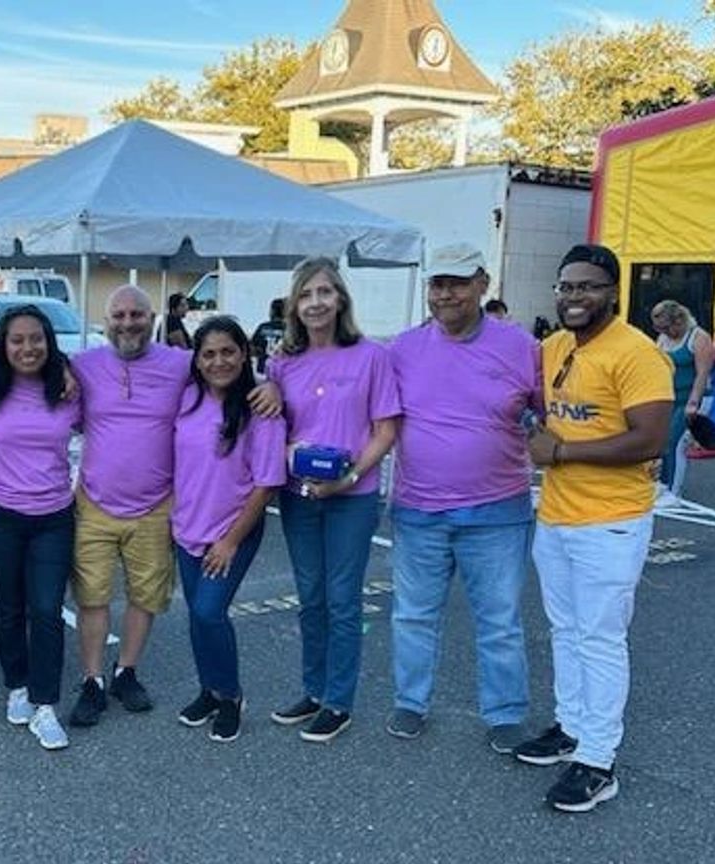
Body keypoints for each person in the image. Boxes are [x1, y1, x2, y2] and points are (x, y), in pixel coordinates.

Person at [65, 285, 279, 728]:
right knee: (92, 597)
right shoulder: (84, 366)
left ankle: (128, 672)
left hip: (158, 508)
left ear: (153, 319)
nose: (128, 323)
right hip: (97, 503)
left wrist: (271, 384)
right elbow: (40, 376)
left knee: (150, 598)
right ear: (106, 321)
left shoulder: (180, 365)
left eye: (137, 315)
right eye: (119, 315)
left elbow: (232, 372)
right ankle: (93, 682)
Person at [516, 244, 672, 813]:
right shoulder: (555, 346)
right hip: (556, 516)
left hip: (611, 522)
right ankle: (572, 728)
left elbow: (649, 438)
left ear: (613, 293)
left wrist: (560, 451)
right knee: (564, 630)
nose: (573, 297)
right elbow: (525, 399)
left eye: (586, 287)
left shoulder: (637, 353)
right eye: (565, 287)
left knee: (601, 638)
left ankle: (599, 760)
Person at [385, 243, 540, 753]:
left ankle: (504, 712)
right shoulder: (402, 349)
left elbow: (547, 416)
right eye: (437, 283)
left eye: (456, 282)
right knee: (413, 614)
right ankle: (411, 701)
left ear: (482, 284)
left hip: (499, 511)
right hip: (418, 511)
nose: (445, 293)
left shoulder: (520, 347)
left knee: (499, 621)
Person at [267, 257, 399, 743]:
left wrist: (350, 477)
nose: (316, 302)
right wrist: (285, 451)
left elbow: (386, 430)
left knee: (343, 602)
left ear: (340, 298)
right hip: (300, 497)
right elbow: (271, 426)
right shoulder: (282, 363)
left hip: (352, 497)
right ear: (294, 305)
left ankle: (338, 702)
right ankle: (313, 689)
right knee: (311, 599)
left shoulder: (371, 356)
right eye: (306, 295)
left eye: (324, 292)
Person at [0, 304, 80, 751]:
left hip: (53, 516)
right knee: (9, 606)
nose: (28, 348)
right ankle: (18, 686)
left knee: (46, 609)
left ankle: (46, 704)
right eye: (17, 340)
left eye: (37, 339)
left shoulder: (68, 390)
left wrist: (68, 370)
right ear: (3, 346)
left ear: (50, 344)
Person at [172, 317, 286, 742]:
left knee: (209, 611)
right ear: (197, 361)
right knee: (196, 616)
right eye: (209, 354)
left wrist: (231, 541)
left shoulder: (261, 410)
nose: (219, 361)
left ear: (244, 354)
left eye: (228, 352)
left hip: (232, 530)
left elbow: (268, 483)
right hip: (187, 528)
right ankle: (209, 688)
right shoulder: (186, 400)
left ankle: (231, 696)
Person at [650, 299, 715, 500]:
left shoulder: (698, 337)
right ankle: (662, 484)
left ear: (678, 321)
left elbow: (702, 374)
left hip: (693, 398)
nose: (664, 332)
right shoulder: (662, 338)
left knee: (676, 443)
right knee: (662, 442)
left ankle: (673, 493)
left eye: (666, 327)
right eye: (659, 328)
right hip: (670, 398)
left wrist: (693, 404)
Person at [250, 298, 286, 375]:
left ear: (272, 311)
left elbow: (253, 348)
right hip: (283, 371)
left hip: (263, 370)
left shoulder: (263, 327)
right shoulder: (290, 329)